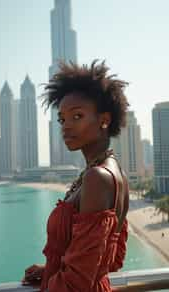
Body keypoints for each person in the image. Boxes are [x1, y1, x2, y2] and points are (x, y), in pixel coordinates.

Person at [22, 60, 129, 291]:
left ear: (104, 119)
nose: (66, 126)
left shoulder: (97, 178)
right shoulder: (112, 170)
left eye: (77, 116)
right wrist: (50, 269)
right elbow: (108, 258)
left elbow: (77, 284)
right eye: (61, 119)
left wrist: (56, 278)